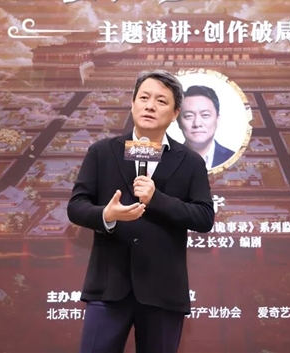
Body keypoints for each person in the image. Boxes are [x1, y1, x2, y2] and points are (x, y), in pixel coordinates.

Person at [67, 69, 214, 353]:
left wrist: (157, 199)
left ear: (175, 113)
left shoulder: (190, 161)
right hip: (109, 286)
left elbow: (204, 217)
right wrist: (107, 215)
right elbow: (76, 206)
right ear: (132, 103)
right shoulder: (102, 152)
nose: (150, 106)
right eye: (144, 98)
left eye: (161, 101)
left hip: (164, 290)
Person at [177, 85, 235, 170]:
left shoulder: (234, 158)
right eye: (189, 116)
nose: (197, 123)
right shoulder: (165, 160)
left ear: (217, 119)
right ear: (179, 122)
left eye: (205, 115)